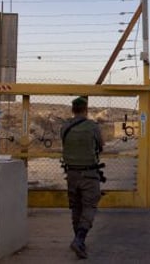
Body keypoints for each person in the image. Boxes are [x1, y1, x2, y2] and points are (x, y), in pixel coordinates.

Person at [61, 96, 104, 259]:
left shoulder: (64, 127)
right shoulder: (92, 127)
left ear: (73, 110)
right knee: (89, 206)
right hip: (89, 174)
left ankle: (78, 240)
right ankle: (79, 239)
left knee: (76, 207)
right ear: (86, 110)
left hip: (71, 173)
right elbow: (100, 146)